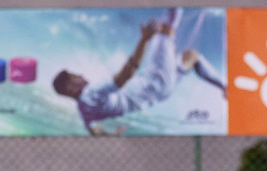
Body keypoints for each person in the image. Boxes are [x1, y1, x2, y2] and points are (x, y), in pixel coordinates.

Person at [53, 10, 225, 136]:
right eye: (76, 77)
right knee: (166, 28)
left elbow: (95, 132)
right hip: (154, 81)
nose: (82, 76)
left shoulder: (84, 111)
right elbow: (126, 74)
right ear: (70, 88)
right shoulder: (92, 92)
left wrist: (112, 136)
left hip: (160, 94)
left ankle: (226, 88)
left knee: (192, 56)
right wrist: (144, 40)